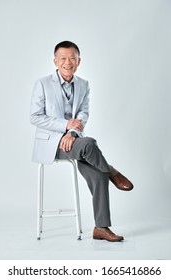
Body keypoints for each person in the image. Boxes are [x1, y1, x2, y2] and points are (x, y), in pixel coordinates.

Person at [30, 40, 133, 242]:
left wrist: (73, 133)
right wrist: (66, 125)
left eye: (72, 58)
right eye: (63, 58)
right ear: (55, 61)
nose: (68, 62)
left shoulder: (84, 84)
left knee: (97, 170)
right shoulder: (42, 84)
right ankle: (111, 170)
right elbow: (35, 117)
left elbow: (83, 115)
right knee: (90, 144)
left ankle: (101, 228)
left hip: (75, 142)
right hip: (52, 145)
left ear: (79, 61)